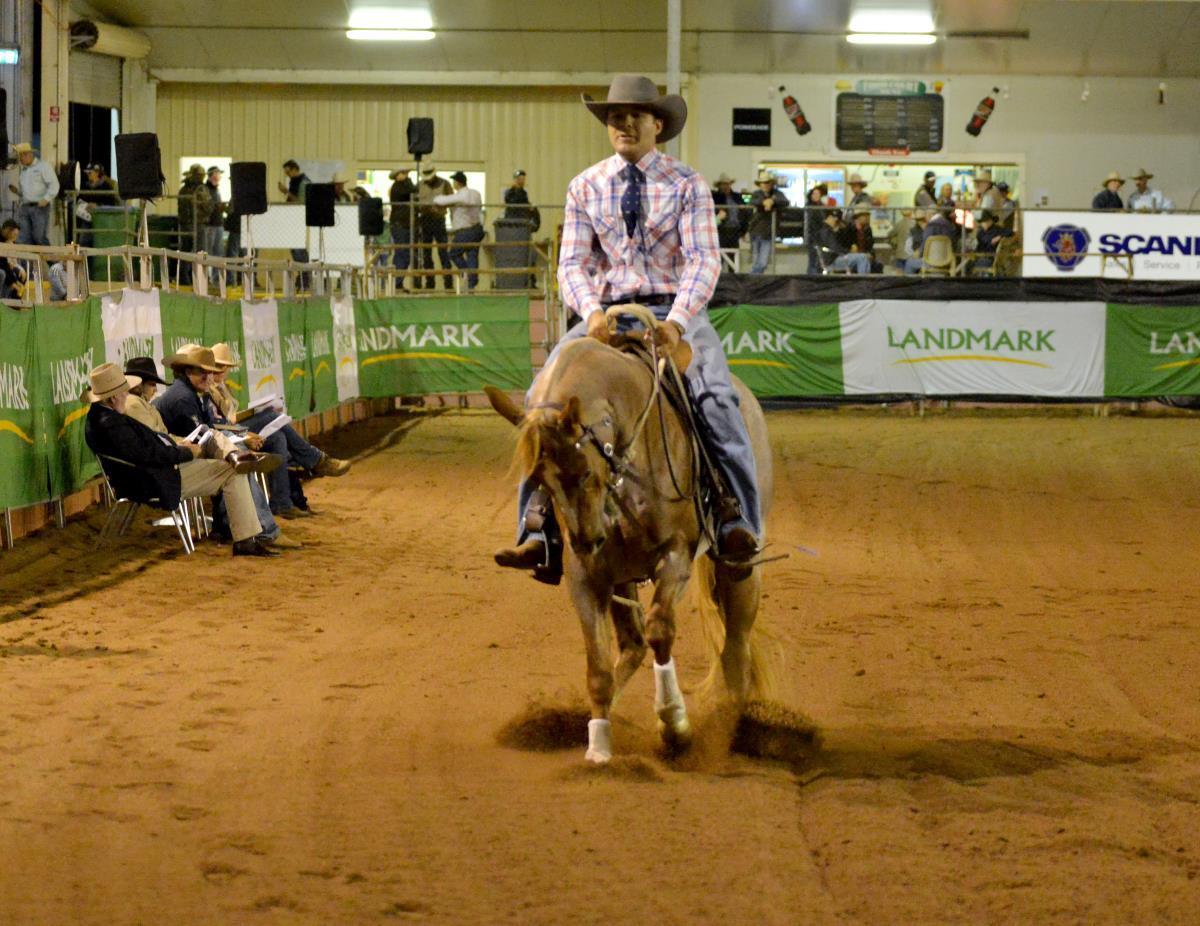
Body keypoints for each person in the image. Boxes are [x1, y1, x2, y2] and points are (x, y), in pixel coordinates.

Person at [493, 73, 760, 584]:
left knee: (715, 398)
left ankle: (737, 520)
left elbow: (704, 260)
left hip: (673, 313)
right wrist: (591, 313)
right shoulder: (585, 186)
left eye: (635, 116)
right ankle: (537, 529)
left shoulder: (687, 184)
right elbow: (572, 263)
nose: (624, 125)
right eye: (616, 117)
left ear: (658, 124)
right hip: (606, 317)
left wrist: (677, 322)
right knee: (539, 404)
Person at [83, 363, 279, 557]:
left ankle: (235, 460)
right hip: (157, 481)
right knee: (231, 471)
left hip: (150, 475)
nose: (127, 395)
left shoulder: (100, 418)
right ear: (113, 397)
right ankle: (246, 539)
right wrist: (186, 453)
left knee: (222, 455)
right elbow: (150, 455)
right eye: (124, 391)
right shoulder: (112, 424)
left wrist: (181, 450)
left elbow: (148, 450)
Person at [206, 340, 350, 518]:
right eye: (216, 366)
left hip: (231, 429)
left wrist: (243, 417)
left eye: (224, 366)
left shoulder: (223, 388)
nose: (220, 370)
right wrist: (243, 429)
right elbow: (216, 422)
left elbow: (228, 417)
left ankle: (282, 503)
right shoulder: (208, 389)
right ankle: (316, 460)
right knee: (270, 416)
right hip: (225, 434)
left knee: (278, 438)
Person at [435, 171, 485, 290]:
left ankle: (467, 274)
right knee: (472, 254)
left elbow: (440, 200)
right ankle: (471, 283)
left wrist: (436, 198)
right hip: (477, 228)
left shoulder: (461, 196)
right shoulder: (476, 193)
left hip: (465, 230)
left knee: (454, 253)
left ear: (457, 183)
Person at [9, 142, 58, 246]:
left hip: (39, 207)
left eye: (20, 156)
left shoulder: (43, 166)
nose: (19, 159)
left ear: (27, 154)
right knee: (23, 238)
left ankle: (50, 256)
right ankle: (27, 257)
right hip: (25, 207)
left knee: (39, 237)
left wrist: (46, 199)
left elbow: (54, 185)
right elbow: (26, 193)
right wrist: (17, 192)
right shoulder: (24, 171)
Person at [416, 165, 453, 290]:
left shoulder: (445, 184)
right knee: (426, 253)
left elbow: (451, 201)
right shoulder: (419, 185)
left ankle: (448, 282)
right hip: (425, 219)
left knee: (443, 251)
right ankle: (430, 282)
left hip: (439, 219)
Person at [748, 170, 787, 274]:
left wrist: (772, 201)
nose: (765, 185)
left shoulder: (777, 194)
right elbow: (752, 201)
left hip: (769, 232)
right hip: (755, 231)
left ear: (771, 183)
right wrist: (764, 202)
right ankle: (755, 279)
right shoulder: (756, 194)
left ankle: (754, 279)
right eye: (763, 182)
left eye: (767, 182)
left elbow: (785, 201)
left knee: (763, 262)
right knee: (756, 261)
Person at [279, 159, 311, 275]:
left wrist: (286, 192)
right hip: (293, 218)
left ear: (295, 169)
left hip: (298, 219)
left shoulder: (303, 183)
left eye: (288, 172)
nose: (287, 175)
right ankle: (303, 273)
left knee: (298, 248)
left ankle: (305, 273)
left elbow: (301, 202)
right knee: (295, 247)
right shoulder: (295, 182)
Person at [75, 164, 120, 246]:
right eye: (87, 173)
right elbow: (81, 199)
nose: (88, 175)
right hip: (88, 218)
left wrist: (98, 206)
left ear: (97, 173)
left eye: (90, 173)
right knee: (83, 242)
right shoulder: (86, 186)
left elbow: (111, 204)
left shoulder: (106, 186)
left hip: (102, 220)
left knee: (100, 243)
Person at [388, 168, 416, 286]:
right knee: (401, 253)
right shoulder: (397, 188)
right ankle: (396, 282)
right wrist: (408, 180)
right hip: (400, 224)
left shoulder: (402, 186)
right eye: (404, 173)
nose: (406, 176)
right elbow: (412, 190)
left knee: (405, 254)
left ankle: (398, 281)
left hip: (404, 224)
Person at [201, 166, 226, 284]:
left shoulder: (216, 190)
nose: (219, 176)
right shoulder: (206, 189)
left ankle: (216, 278)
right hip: (210, 225)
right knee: (208, 251)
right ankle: (206, 277)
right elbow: (207, 207)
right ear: (211, 175)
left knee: (218, 252)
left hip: (218, 224)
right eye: (217, 173)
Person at [711, 173, 744, 254]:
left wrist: (744, 229)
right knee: (721, 254)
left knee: (734, 254)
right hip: (721, 229)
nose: (725, 186)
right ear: (719, 186)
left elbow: (744, 212)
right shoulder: (715, 197)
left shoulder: (737, 196)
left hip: (735, 230)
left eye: (727, 184)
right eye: (723, 184)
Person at [839, 208, 880, 273]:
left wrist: (870, 254)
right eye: (865, 216)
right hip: (851, 256)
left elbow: (870, 245)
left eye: (868, 216)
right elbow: (844, 245)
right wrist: (852, 251)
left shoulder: (867, 229)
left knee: (878, 266)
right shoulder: (848, 229)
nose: (868, 218)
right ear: (858, 217)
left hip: (865, 255)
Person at [803, 183, 828, 275]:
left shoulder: (821, 206)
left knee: (818, 260)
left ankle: (813, 276)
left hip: (820, 237)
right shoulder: (810, 207)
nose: (816, 196)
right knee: (814, 260)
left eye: (818, 194)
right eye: (814, 194)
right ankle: (812, 277)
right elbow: (811, 223)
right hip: (813, 237)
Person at [0, 220, 27, 300]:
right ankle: (5, 299)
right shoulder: (3, 243)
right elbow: (4, 263)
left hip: (8, 267)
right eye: (14, 234)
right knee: (5, 273)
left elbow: (11, 262)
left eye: (17, 235)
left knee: (20, 272)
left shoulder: (13, 244)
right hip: (4, 268)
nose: (16, 237)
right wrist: (13, 282)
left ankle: (15, 300)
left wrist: (20, 268)